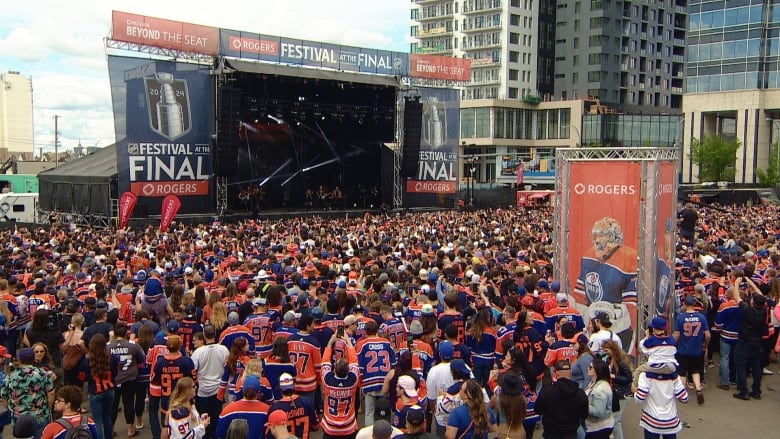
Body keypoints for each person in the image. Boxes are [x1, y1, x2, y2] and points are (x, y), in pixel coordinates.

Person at [574, 217, 638, 352]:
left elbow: (631, 307)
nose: (597, 240)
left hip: (617, 325)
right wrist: (586, 323)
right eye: (596, 235)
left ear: (615, 237)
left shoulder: (629, 260)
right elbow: (580, 296)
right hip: (593, 323)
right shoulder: (588, 256)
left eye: (602, 235)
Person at [1, 347, 55, 439]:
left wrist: (13, 409)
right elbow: (51, 393)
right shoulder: (43, 374)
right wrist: (47, 408)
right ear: (33, 358)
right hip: (40, 416)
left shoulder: (10, 377)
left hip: (19, 418)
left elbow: (3, 398)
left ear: (19, 359)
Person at [634, 353, 689, 438]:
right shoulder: (674, 376)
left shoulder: (645, 376)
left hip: (651, 421)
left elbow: (639, 398)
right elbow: (684, 398)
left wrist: (635, 392)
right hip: (670, 422)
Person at [108, 322, 146, 438]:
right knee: (128, 403)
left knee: (113, 405)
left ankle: (110, 429)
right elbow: (142, 358)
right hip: (129, 378)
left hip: (113, 380)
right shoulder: (133, 345)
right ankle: (130, 429)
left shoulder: (107, 346)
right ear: (126, 333)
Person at [732, 284, 770, 400]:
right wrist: (750, 280)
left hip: (745, 342)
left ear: (753, 302)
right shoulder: (764, 310)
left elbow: (736, 296)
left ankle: (743, 391)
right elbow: (761, 296)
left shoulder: (747, 310)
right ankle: (756, 391)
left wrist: (737, 283)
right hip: (757, 343)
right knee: (757, 368)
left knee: (741, 366)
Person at [191, 324, 229, 439]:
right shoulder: (223, 349)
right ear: (215, 334)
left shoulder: (198, 352)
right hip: (218, 390)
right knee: (216, 416)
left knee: (204, 417)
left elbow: (193, 370)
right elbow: (227, 368)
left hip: (203, 391)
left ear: (204, 335)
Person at [78, 334, 118, 439]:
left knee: (97, 421)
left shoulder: (87, 361)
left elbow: (81, 377)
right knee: (107, 418)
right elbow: (115, 373)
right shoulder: (112, 358)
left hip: (95, 392)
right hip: (109, 391)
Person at [356, 320, 396, 426]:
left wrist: (360, 384)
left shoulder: (361, 344)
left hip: (369, 381)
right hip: (385, 381)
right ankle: (387, 433)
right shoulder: (386, 342)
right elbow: (393, 364)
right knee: (386, 410)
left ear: (365, 331)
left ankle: (370, 435)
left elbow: (359, 367)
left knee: (369, 412)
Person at [321, 333, 360, 439]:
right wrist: (348, 342)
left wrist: (330, 342)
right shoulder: (353, 381)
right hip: (348, 427)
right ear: (348, 370)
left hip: (330, 428)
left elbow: (325, 362)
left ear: (335, 369)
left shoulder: (327, 380)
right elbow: (354, 363)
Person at [535, 360, 588, 439]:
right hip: (572, 434)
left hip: (550, 434)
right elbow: (584, 414)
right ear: (570, 373)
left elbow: (537, 410)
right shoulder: (580, 393)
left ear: (556, 373)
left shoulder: (547, 392)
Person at [673, 295, 711, 404]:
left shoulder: (680, 317)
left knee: (682, 372)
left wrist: (671, 345)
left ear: (684, 304)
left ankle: (683, 392)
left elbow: (676, 335)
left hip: (683, 349)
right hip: (696, 349)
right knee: (695, 370)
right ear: (694, 304)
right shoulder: (701, 317)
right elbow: (708, 335)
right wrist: (705, 345)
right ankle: (698, 389)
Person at [268, 373, 317, 439]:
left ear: (280, 388)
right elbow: (315, 426)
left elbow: (270, 434)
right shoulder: (307, 402)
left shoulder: (275, 408)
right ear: (293, 386)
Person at [601, 340, 631, 439]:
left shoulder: (621, 361)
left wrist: (614, 376)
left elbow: (628, 378)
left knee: (616, 420)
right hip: (613, 393)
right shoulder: (608, 360)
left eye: (606, 350)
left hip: (621, 394)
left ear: (613, 349)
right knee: (611, 419)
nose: (605, 352)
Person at [583, 358, 614, 439]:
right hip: (593, 426)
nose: (587, 369)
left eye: (590, 367)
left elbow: (598, 411)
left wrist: (582, 404)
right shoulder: (593, 382)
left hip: (600, 428)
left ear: (597, 370)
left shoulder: (601, 389)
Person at [491, 372, 526, 439]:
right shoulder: (522, 399)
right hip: (520, 432)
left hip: (504, 433)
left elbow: (488, 409)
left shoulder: (496, 399)